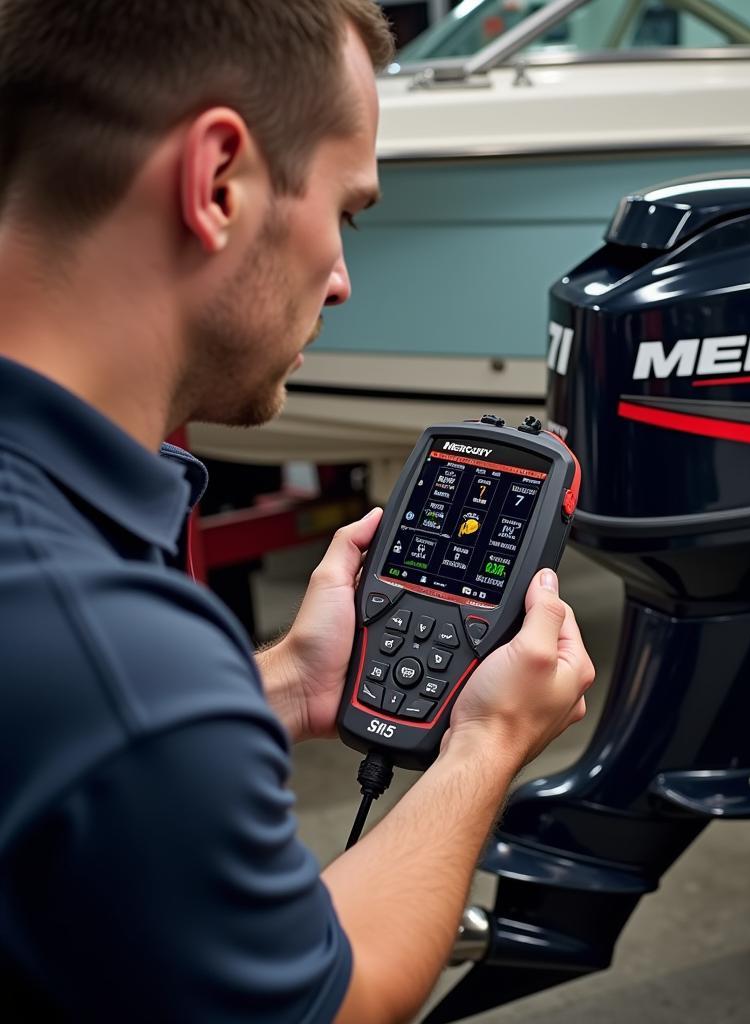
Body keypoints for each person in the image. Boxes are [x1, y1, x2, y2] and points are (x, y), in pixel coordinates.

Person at [0, 2, 595, 1021]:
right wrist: (487, 743)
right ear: (218, 182)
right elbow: (334, 996)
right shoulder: (104, 643)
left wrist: (282, 683)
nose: (344, 282)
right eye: (347, 211)